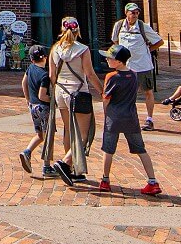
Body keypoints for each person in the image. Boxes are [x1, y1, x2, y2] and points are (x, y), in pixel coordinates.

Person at [95, 45, 163, 195]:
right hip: (131, 117)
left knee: (108, 149)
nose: (107, 59)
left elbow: (106, 99)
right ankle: (152, 181)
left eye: (110, 58)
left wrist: (106, 114)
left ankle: (105, 180)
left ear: (119, 61)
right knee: (141, 149)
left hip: (114, 117)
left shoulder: (111, 77)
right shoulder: (134, 75)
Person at [48, 16, 98, 184]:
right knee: (83, 134)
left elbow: (51, 75)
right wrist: (103, 91)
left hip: (60, 91)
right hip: (78, 92)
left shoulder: (55, 49)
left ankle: (73, 169)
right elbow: (89, 74)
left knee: (68, 130)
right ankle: (65, 163)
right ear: (78, 30)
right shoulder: (82, 50)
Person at [111, 2, 164, 130]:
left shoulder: (143, 27)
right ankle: (127, 118)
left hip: (142, 65)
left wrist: (147, 50)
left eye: (137, 12)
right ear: (126, 13)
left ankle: (149, 119)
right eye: (132, 12)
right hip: (126, 66)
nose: (135, 15)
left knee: (148, 92)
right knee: (126, 93)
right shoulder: (119, 26)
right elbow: (115, 40)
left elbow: (159, 41)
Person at [18, 44, 52, 175]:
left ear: (32, 59)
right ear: (46, 58)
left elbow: (23, 82)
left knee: (40, 135)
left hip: (33, 106)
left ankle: (27, 152)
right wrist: (53, 101)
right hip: (43, 108)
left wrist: (28, 99)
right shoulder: (45, 75)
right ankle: (47, 166)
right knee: (48, 137)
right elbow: (42, 95)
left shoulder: (30, 68)